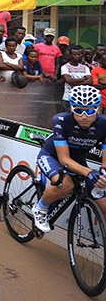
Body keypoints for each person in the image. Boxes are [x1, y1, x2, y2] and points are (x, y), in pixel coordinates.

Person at [32, 85, 106, 233]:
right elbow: (64, 159)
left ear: (98, 109)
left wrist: (104, 174)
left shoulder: (104, 124)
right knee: (66, 184)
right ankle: (40, 208)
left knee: (103, 199)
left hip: (78, 161)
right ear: (71, 108)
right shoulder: (61, 120)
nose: (84, 116)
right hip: (52, 156)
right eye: (78, 110)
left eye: (90, 111)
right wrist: (90, 172)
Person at [60, 45, 92, 112]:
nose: (77, 56)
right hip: (68, 97)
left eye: (79, 54)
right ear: (70, 55)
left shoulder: (85, 67)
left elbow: (89, 81)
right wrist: (83, 79)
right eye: (75, 54)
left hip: (82, 98)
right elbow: (68, 80)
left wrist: (74, 82)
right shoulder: (65, 67)